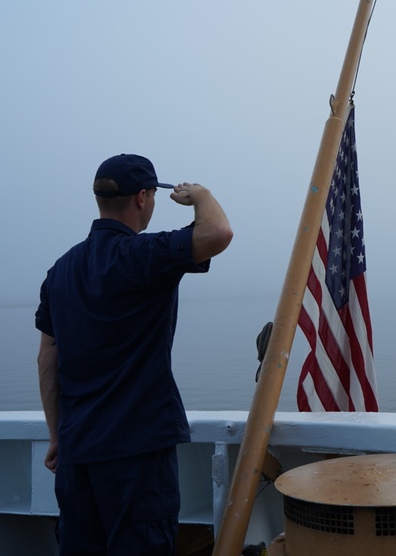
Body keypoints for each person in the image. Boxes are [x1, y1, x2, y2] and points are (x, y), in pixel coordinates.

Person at [36, 153, 233, 555]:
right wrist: (202, 195)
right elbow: (218, 233)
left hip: (77, 454)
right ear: (142, 198)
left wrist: (57, 434)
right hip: (137, 454)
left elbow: (47, 359)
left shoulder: (60, 270)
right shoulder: (142, 256)